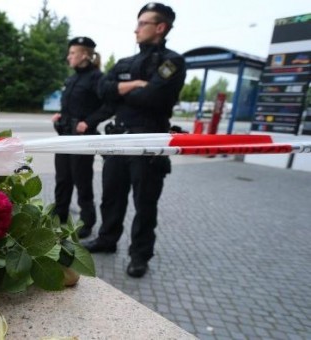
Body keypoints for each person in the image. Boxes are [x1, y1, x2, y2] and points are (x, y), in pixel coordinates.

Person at [82, 2, 186, 278]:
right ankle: (107, 239)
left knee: (145, 203)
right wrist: (135, 85)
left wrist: (123, 90)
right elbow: (104, 90)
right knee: (111, 196)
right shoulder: (125, 63)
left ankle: (140, 255)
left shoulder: (172, 62)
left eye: (143, 24)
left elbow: (155, 97)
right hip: (119, 139)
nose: (136, 29)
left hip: (149, 141)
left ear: (160, 27)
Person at [51, 36, 104, 239]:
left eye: (72, 53)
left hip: (82, 139)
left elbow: (107, 107)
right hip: (65, 136)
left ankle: (86, 222)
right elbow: (70, 107)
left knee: (82, 181)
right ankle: (59, 216)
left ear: (84, 55)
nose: (69, 57)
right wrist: (60, 116)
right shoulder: (72, 79)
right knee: (62, 179)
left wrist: (89, 122)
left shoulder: (97, 78)